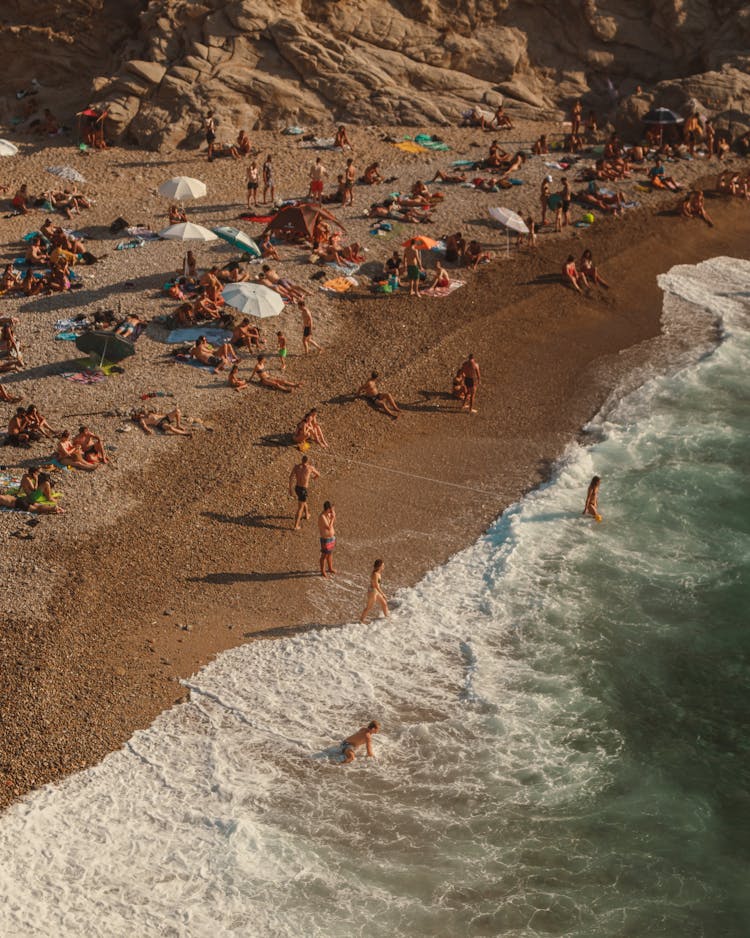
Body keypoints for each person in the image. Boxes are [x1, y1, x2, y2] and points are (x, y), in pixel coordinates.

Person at [289, 454, 320, 530]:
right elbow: (318, 474)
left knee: (303, 501)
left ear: (301, 460)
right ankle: (296, 526)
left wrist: (290, 489)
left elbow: (291, 477)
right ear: (308, 461)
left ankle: (307, 515)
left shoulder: (296, 467)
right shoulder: (310, 468)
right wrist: (314, 477)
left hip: (297, 488)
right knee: (300, 508)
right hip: (303, 489)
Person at [318, 500, 337, 577]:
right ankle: (322, 571)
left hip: (331, 538)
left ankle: (330, 568)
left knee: (330, 554)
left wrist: (332, 516)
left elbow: (332, 523)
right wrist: (333, 518)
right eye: (332, 509)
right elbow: (329, 527)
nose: (333, 511)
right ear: (328, 509)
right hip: (325, 539)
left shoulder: (328, 514)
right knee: (324, 556)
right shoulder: (322, 516)